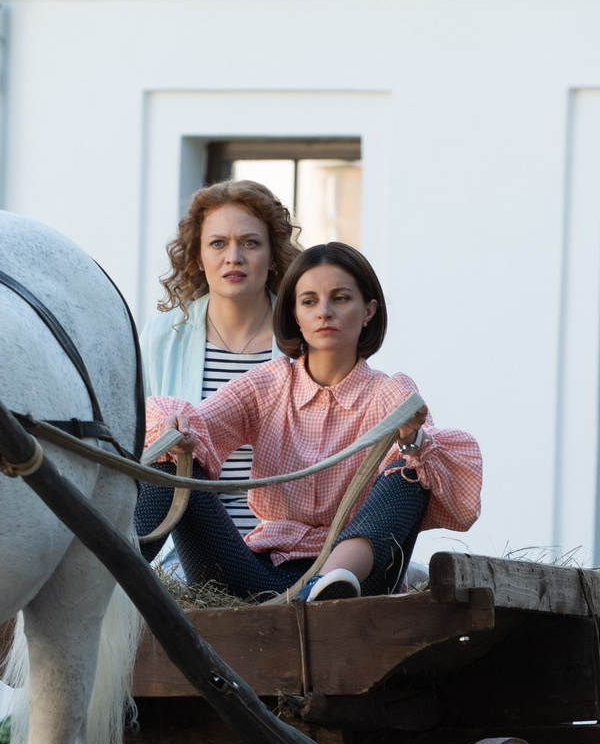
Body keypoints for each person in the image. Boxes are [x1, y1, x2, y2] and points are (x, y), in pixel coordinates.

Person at [144, 242, 481, 602]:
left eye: (340, 298)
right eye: (309, 301)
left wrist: (413, 441)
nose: (324, 312)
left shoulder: (390, 392)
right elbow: (200, 424)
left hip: (357, 586)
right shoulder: (269, 382)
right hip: (255, 576)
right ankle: (114, 562)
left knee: (414, 467)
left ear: (368, 311)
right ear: (295, 314)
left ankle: (327, 581)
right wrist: (175, 428)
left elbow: (453, 491)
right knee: (175, 452)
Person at [134, 180, 301, 549]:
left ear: (273, 255)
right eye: (218, 243)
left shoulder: (303, 338)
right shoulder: (162, 337)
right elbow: (129, 442)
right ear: (197, 256)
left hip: (283, 546)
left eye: (250, 242)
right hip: (185, 546)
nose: (234, 257)